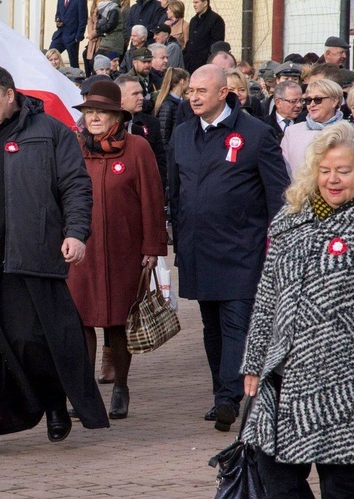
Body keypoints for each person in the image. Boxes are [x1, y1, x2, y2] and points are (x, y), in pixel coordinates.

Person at [0, 65, 108, 457]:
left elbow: (75, 187)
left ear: (10, 96)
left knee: (30, 340)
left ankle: (52, 401)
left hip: (25, 256)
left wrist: (75, 232)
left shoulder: (50, 132)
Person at [168, 64, 289, 433]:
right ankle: (222, 391)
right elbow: (174, 191)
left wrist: (280, 243)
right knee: (211, 325)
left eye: (202, 91)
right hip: (198, 248)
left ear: (224, 93)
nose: (194, 97)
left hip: (242, 250)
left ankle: (228, 398)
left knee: (236, 322)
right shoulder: (182, 134)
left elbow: (278, 194)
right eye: (190, 91)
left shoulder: (255, 134)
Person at [241, 121, 354, 499]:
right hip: (284, 378)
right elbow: (267, 298)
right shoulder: (290, 220)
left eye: (344, 170)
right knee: (275, 475)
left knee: (341, 485)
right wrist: (255, 362)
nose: (333, 180)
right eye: (325, 171)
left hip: (343, 383)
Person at [67, 79, 167, 420]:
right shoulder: (74, 147)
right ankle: (87, 393)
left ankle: (121, 386)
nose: (94, 118)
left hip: (124, 251)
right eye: (89, 111)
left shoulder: (137, 148)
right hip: (81, 251)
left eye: (102, 112)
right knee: (80, 322)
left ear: (117, 116)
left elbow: (153, 200)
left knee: (117, 323)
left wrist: (152, 248)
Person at [281, 79, 344, 177]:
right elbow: (282, 172)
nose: (312, 104)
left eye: (318, 99)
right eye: (308, 100)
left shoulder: (348, 132)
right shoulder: (292, 132)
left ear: (334, 101)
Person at [182, 0, 225, 73]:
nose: (194, 5)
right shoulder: (193, 20)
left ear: (205, 3)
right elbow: (191, 41)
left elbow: (216, 45)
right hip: (191, 65)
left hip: (206, 66)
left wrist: (208, 59)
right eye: (193, 3)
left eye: (196, 2)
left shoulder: (216, 20)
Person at [153, 66, 188, 148]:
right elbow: (163, 133)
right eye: (188, 81)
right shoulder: (167, 104)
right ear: (182, 81)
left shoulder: (182, 102)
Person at [49, 0, 88, 69]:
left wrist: (78, 37)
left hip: (72, 37)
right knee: (50, 55)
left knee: (73, 63)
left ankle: (77, 78)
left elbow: (83, 19)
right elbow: (58, 14)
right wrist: (58, 21)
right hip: (60, 35)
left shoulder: (80, 1)